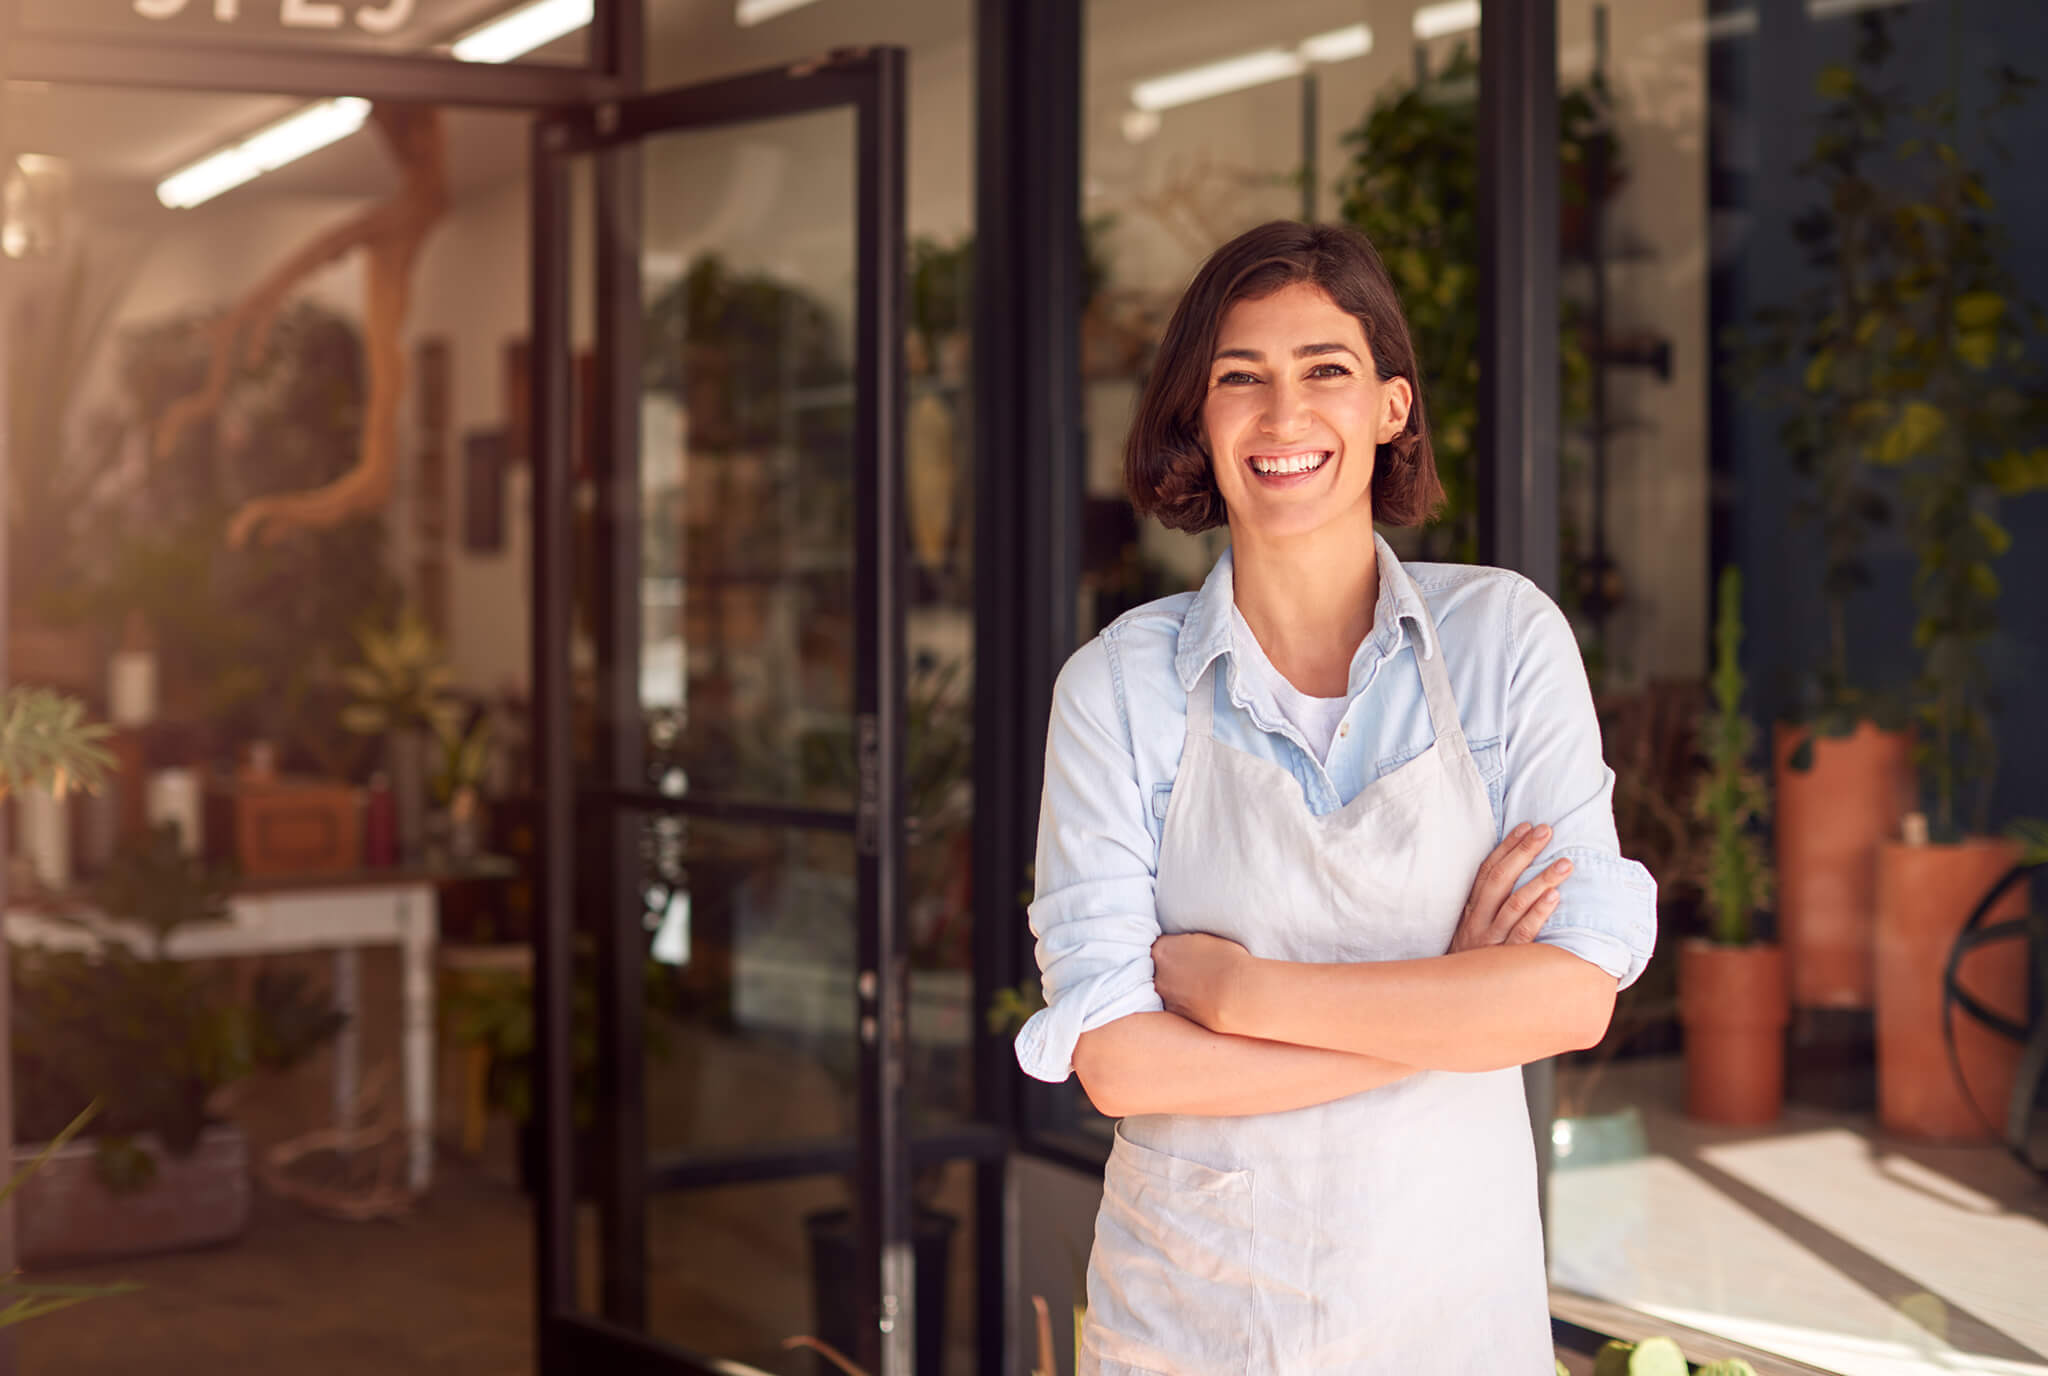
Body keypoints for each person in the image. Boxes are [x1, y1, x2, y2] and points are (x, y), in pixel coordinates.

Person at [1013, 220, 1658, 1374]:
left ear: (1388, 408)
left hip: (1450, 1312)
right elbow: (1122, 1063)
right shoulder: (1115, 688)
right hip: (1197, 1324)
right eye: (1237, 380)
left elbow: (1567, 997)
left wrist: (1245, 991)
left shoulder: (1501, 640)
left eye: (1325, 370)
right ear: (1196, 422)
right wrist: (1454, 1005)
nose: (1282, 416)